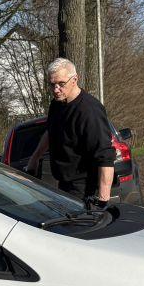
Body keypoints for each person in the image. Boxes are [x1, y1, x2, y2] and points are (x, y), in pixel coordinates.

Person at [25, 58, 116, 210]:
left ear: (74, 80)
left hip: (85, 188)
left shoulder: (89, 110)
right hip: (64, 185)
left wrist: (102, 200)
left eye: (61, 84)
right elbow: (50, 132)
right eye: (52, 84)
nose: (56, 90)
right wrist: (34, 159)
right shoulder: (56, 105)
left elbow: (105, 156)